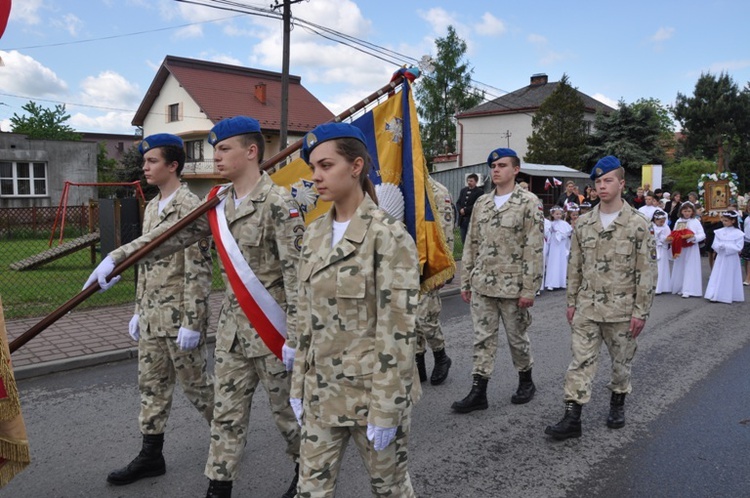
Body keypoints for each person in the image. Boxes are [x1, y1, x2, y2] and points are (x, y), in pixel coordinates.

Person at [85, 117, 303, 498]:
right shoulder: (218, 204)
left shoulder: (279, 205)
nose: (214, 156)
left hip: (275, 332)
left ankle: (307, 474)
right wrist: (116, 258)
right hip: (234, 333)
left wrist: (298, 338)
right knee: (226, 417)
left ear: (251, 152)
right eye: (214, 149)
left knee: (288, 414)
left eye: (223, 149)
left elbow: (297, 278)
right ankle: (218, 489)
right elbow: (169, 238)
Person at [289, 123, 421, 497]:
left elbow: (398, 332)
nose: (316, 176)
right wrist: (298, 384)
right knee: (309, 490)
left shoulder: (388, 236)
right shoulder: (314, 234)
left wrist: (387, 409)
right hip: (320, 393)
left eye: (326, 165)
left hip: (371, 396)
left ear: (357, 166)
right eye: (313, 167)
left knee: (390, 489)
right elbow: (304, 318)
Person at [106, 134, 215, 486]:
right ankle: (151, 455)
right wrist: (139, 309)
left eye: (152, 161)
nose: (145, 167)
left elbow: (199, 268)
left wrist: (194, 321)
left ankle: (228, 434)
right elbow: (146, 264)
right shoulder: (152, 205)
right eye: (145, 161)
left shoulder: (190, 207)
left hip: (179, 318)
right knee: (151, 387)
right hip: (152, 317)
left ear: (173, 165)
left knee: (197, 387)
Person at [545, 156, 656, 440]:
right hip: (587, 307)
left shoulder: (638, 225)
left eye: (608, 181)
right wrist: (571, 302)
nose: (602, 186)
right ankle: (573, 417)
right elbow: (575, 266)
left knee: (621, 363)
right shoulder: (583, 223)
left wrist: (640, 312)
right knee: (579, 361)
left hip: (622, 310)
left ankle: (617, 402)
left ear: (621, 183)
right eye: (598, 182)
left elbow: (647, 272)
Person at [452, 147, 544, 413]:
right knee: (482, 339)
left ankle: (526, 380)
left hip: (513, 287)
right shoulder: (482, 202)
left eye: (502, 165)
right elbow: (471, 244)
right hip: (483, 284)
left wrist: (530, 288)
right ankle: (478, 391)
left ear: (516, 169)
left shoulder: (528, 202)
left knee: (517, 338)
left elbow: (534, 247)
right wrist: (466, 280)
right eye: (493, 166)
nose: (496, 170)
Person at [414, 177, 455, 386]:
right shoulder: (400, 182)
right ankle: (418, 363)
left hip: (429, 262)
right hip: (406, 261)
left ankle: (441, 356)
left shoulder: (437, 190)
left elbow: (446, 229)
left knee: (426, 317)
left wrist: (444, 268)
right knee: (410, 319)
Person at [704, 211, 745, 303]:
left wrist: (726, 246)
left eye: (726, 220)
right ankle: (715, 293)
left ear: (733, 221)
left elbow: (739, 247)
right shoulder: (719, 232)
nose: (724, 222)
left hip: (731, 258)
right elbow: (714, 244)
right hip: (721, 257)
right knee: (719, 273)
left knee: (729, 275)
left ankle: (727, 295)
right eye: (723, 220)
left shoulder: (738, 233)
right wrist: (718, 246)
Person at [669, 202, 706, 298]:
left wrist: (693, 238)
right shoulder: (678, 221)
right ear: (681, 211)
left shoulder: (695, 221)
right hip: (681, 247)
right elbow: (675, 233)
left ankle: (689, 289)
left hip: (691, 248)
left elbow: (702, 235)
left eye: (689, 211)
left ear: (692, 211)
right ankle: (680, 287)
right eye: (685, 211)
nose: (687, 213)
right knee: (680, 266)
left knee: (690, 267)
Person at [544, 206, 572, 291]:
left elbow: (568, 233)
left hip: (561, 246)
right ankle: (551, 283)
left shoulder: (564, 224)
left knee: (562, 262)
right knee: (553, 263)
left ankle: (561, 282)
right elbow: (547, 234)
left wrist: (561, 234)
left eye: (560, 214)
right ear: (552, 214)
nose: (558, 215)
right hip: (554, 246)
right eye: (556, 214)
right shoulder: (551, 224)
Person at [456, 173, 483, 243]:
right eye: (468, 181)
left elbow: (477, 205)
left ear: (476, 182)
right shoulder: (463, 190)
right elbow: (458, 202)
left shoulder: (480, 192)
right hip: (462, 219)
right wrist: (460, 210)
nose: (469, 182)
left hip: (472, 219)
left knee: (472, 239)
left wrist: (465, 210)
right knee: (463, 238)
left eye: (471, 181)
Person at [652, 209, 672, 295]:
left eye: (663, 222)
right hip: (654, 249)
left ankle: (663, 287)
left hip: (662, 249)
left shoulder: (666, 227)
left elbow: (669, 238)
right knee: (655, 268)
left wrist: (664, 239)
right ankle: (654, 287)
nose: (662, 223)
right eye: (660, 222)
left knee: (662, 267)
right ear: (655, 220)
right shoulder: (651, 226)